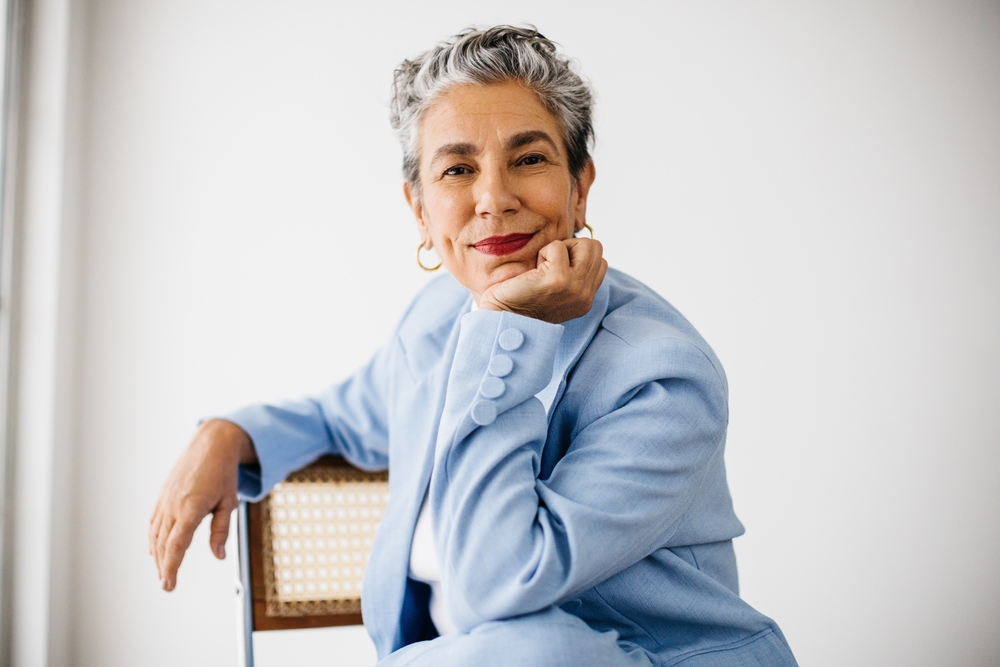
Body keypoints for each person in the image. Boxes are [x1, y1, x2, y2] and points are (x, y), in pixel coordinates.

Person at [149, 26, 798, 666]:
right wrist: (228, 436)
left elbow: (497, 583)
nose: (494, 198)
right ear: (420, 210)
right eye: (458, 168)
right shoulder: (434, 323)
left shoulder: (662, 377)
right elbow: (339, 417)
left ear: (580, 187)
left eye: (529, 158)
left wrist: (504, 328)